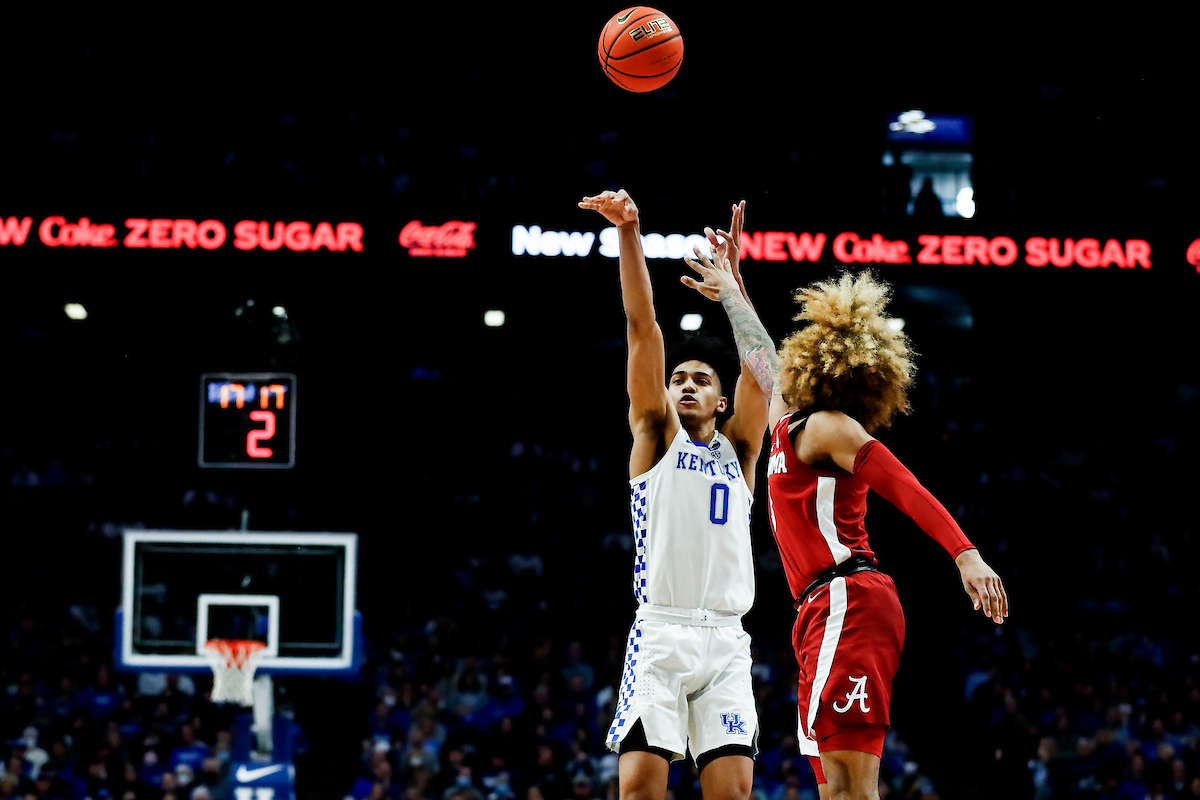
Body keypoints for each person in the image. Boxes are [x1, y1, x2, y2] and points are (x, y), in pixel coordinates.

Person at [756, 270, 1008, 800]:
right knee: (831, 788)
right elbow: (757, 353)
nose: (777, 371)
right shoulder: (783, 424)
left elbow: (905, 486)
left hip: (849, 597)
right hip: (815, 611)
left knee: (851, 787)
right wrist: (732, 289)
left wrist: (966, 555)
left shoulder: (828, 426)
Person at [577, 190, 776, 800]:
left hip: (725, 637)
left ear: (722, 400)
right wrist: (630, 233)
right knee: (639, 789)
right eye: (678, 378)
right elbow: (643, 326)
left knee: (734, 792)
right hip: (661, 634)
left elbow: (764, 368)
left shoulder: (740, 451)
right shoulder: (655, 435)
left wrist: (735, 292)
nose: (686, 383)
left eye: (701, 379)